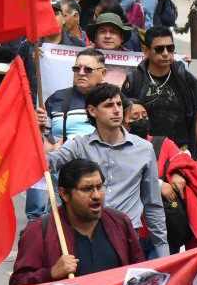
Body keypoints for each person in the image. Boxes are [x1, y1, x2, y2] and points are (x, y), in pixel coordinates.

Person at [48, 84, 168, 257]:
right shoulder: (78, 145)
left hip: (128, 236)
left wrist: (163, 250)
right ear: (92, 110)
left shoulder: (144, 149)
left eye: (119, 104)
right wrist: (37, 130)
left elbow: (152, 203)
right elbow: (46, 164)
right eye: (109, 105)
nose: (117, 110)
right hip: (85, 236)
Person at [10, 158, 147, 285]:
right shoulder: (39, 231)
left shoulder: (120, 222)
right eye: (87, 189)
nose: (96, 195)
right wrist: (50, 273)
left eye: (99, 187)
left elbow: (140, 271)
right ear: (64, 194)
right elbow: (18, 283)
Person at [123, 28, 197, 160]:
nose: (165, 53)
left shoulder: (185, 78)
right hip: (145, 153)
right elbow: (123, 121)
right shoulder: (134, 80)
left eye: (170, 48)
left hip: (182, 153)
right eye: (159, 49)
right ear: (146, 51)